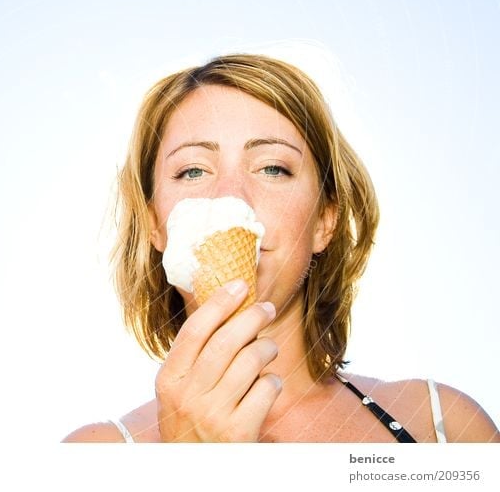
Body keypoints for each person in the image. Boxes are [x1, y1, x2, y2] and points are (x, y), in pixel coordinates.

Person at [63, 53, 500, 443]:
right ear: (156, 224)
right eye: (193, 171)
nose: (231, 198)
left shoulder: (443, 424)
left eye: (273, 168)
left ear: (324, 223)